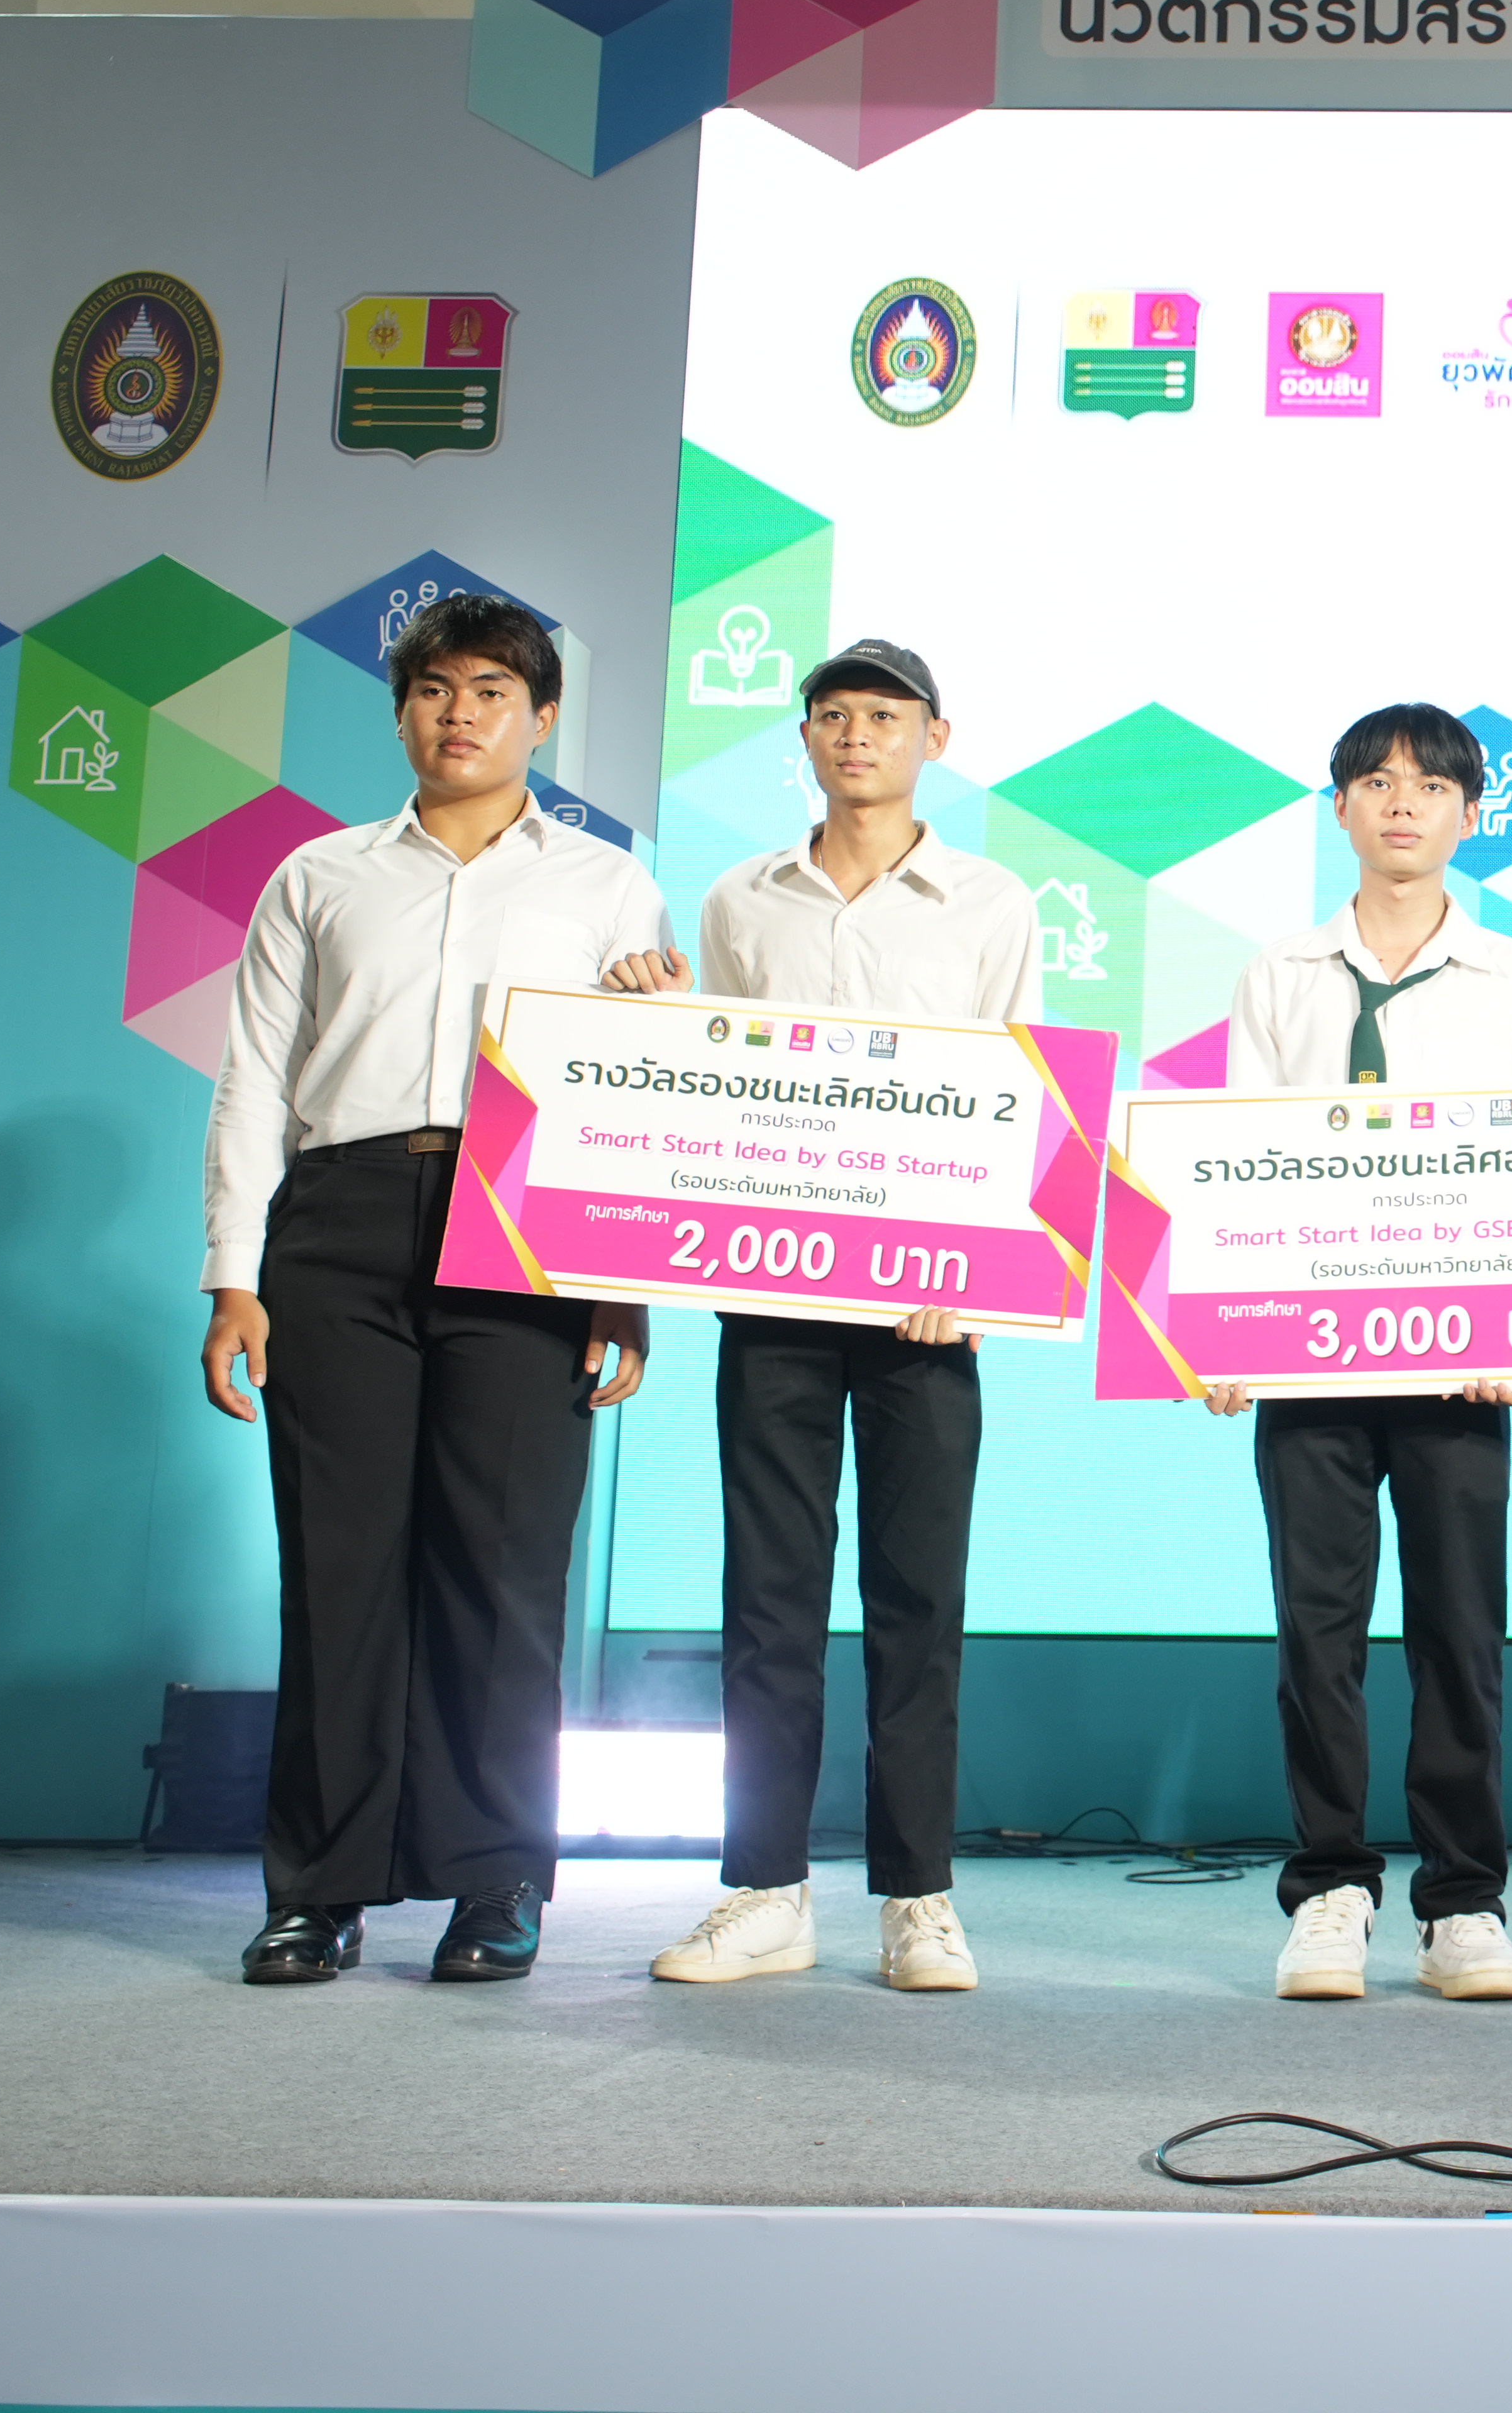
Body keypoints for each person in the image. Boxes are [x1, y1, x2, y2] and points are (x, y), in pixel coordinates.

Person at [199, 594, 665, 1987]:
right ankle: (319, 1889)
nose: (460, 714)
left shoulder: (606, 887)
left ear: (543, 716)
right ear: (403, 710)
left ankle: (495, 1879)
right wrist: (232, 1274)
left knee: (505, 1573)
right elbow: (253, 1080)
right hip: (338, 1220)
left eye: (492, 692)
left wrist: (622, 1285)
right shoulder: (319, 874)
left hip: (527, 1230)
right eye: (435, 690)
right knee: (336, 1569)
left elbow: (634, 1095)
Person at [604, 641, 1039, 1998]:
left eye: (885, 716)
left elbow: (1021, 1090)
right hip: (774, 1288)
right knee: (769, 1598)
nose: (857, 736)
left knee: (919, 1601)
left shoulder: (990, 900)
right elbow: (724, 1083)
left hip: (927, 1311)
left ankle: (919, 1898)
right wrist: (654, 1023)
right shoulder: (740, 898)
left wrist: (972, 1271)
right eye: (834, 716)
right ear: (803, 738)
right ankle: (764, 1890)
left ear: (934, 738)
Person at [1203, 705, 1512, 2005]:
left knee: (1461, 1634)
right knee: (1318, 1632)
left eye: (1430, 784)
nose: (1402, 802)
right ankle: (1331, 1886)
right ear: (1340, 807)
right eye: (1376, 781)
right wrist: (1224, 1324)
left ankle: (1464, 1900)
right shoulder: (1280, 973)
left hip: (1462, 1361)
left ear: (1471, 812)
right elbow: (1238, 1154)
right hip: (1310, 1360)